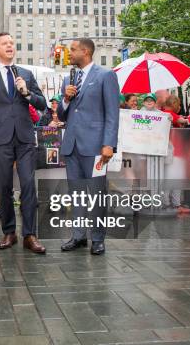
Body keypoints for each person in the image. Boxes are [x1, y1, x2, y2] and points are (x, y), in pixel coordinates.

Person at [0, 32, 48, 254]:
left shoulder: (25, 74)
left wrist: (26, 93)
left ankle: (30, 235)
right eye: (5, 44)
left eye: (12, 43)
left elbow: (42, 103)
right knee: (4, 188)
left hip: (25, 139)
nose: (10, 46)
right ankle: (9, 232)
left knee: (28, 185)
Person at [56, 38, 119, 254]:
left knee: (96, 194)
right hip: (72, 146)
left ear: (86, 51)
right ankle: (78, 236)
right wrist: (65, 98)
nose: (69, 53)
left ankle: (98, 238)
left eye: (72, 50)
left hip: (95, 148)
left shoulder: (106, 76)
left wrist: (109, 143)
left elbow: (112, 113)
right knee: (77, 195)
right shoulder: (68, 79)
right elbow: (62, 115)